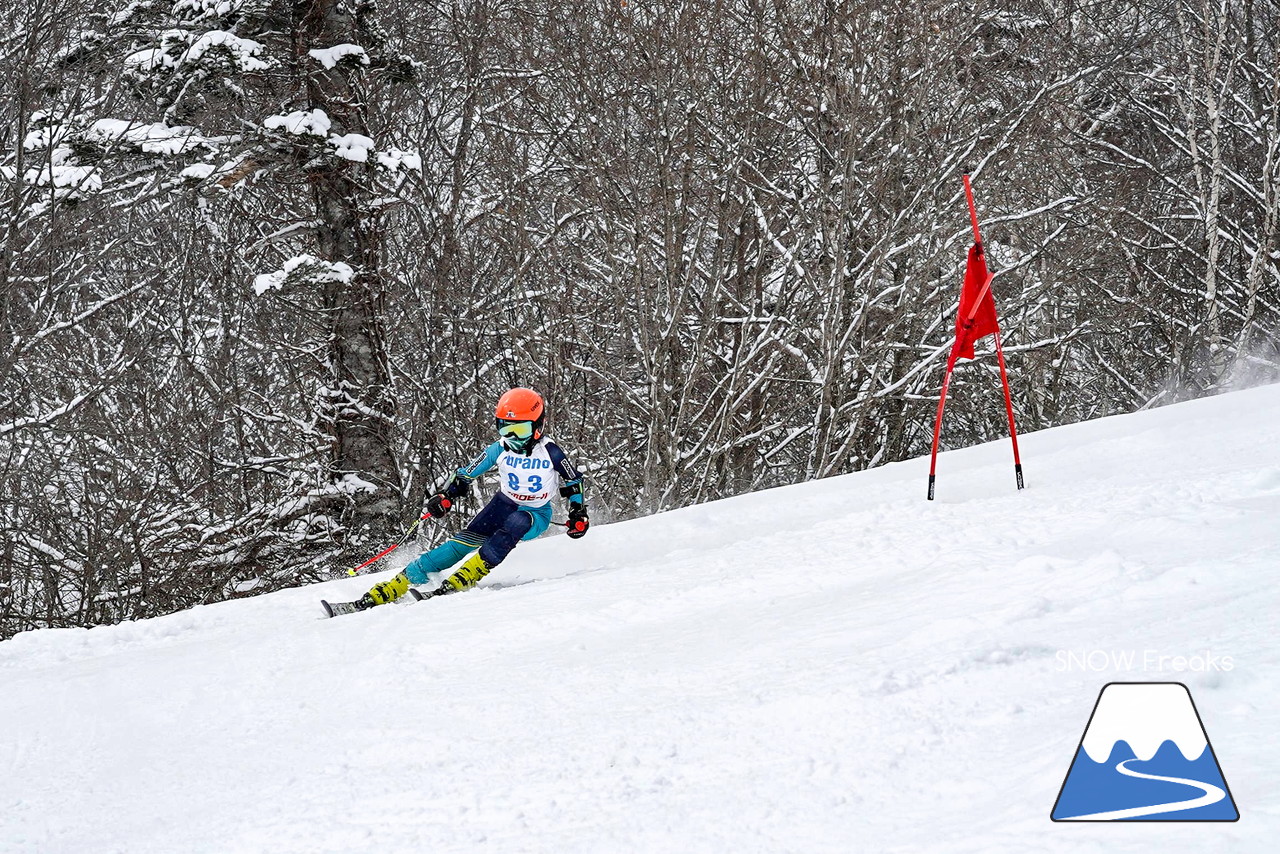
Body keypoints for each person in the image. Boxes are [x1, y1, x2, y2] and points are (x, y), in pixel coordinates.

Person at [355, 387, 588, 609]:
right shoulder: (499, 448)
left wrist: (578, 512)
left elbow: (573, 481)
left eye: (521, 430)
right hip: (503, 505)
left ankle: (468, 575)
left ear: (538, 426)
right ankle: (399, 583)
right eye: (506, 429)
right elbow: (465, 474)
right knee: (461, 543)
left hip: (535, 513)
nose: (513, 438)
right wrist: (446, 495)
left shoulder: (551, 451)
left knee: (516, 522)